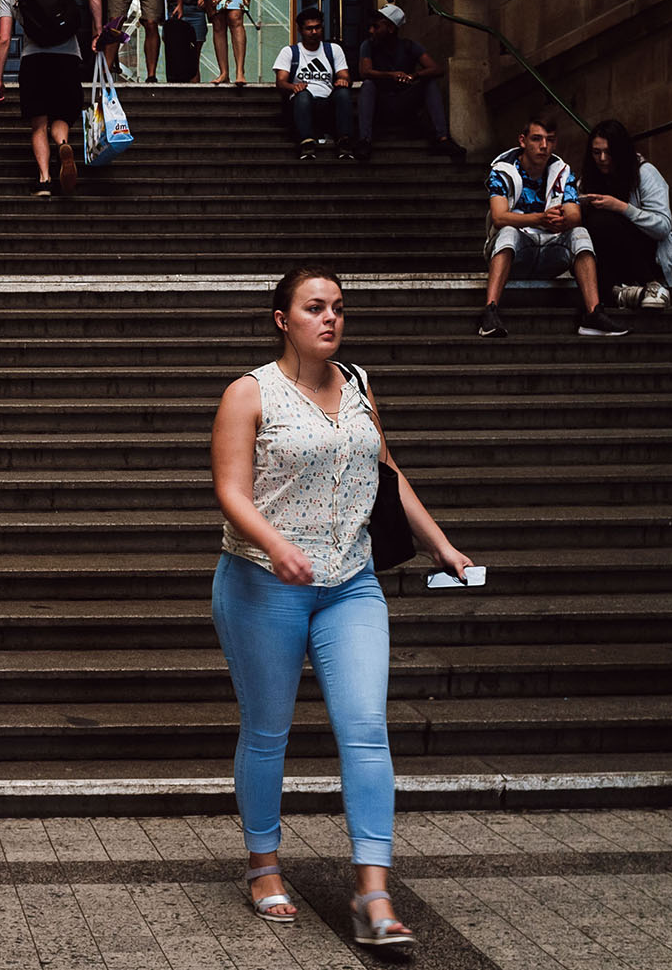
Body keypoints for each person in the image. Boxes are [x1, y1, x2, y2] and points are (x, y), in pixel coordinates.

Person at [210, 266, 475, 952]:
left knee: (365, 727)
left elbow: (387, 473)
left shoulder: (357, 385)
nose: (330, 319)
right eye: (314, 307)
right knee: (267, 730)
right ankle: (264, 866)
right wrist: (276, 545)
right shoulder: (249, 392)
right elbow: (231, 491)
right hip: (261, 582)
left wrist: (444, 546)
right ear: (282, 319)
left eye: (338, 308)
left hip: (350, 582)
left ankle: (373, 890)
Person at [481, 113, 627, 338]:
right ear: (522, 140)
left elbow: (574, 215)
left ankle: (593, 314)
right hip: (516, 253)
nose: (544, 146)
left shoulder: (562, 172)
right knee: (508, 231)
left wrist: (560, 221)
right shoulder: (502, 171)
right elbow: (500, 217)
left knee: (580, 232)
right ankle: (490, 313)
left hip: (551, 253)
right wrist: (540, 218)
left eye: (549, 140)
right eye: (537, 139)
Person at [0, 0, 102, 198]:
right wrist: (97, 32)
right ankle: (63, 146)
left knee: (39, 123)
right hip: (68, 58)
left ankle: (44, 181)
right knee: (61, 117)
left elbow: (4, 38)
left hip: (35, 61)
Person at [580, 118, 672, 309]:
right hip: (610, 258)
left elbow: (663, 226)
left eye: (608, 152)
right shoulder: (589, 178)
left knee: (602, 220)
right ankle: (621, 293)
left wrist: (621, 207)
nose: (602, 158)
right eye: (596, 152)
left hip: (647, 255)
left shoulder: (645, 173)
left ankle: (651, 285)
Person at [355, 6, 466, 163]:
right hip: (381, 103)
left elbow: (436, 69)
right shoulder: (368, 45)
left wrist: (414, 76)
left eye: (376, 26)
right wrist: (390, 76)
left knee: (430, 83)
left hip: (405, 102)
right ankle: (364, 141)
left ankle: (442, 138)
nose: (371, 31)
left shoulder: (409, 46)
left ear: (391, 28)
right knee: (368, 85)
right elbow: (365, 72)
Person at [272, 7, 355, 160]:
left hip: (326, 103)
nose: (314, 32)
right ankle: (306, 143)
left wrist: (343, 80)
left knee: (343, 93)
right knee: (303, 95)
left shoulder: (333, 50)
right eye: (309, 29)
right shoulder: (289, 52)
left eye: (317, 27)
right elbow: (281, 82)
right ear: (300, 30)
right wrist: (294, 87)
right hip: (301, 104)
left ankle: (345, 142)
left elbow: (345, 75)